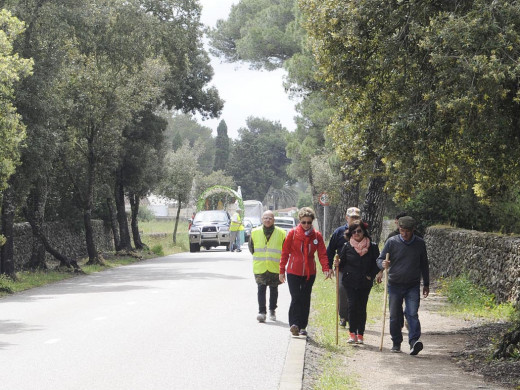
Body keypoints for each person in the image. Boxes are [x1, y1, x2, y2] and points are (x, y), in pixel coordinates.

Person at [377, 216, 429, 355]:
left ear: (413, 230)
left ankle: (414, 342)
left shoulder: (419, 244)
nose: (404, 234)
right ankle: (396, 342)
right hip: (394, 284)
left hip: (412, 285)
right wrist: (382, 265)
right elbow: (380, 258)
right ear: (398, 229)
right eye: (401, 230)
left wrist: (426, 284)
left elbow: (424, 264)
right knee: (395, 315)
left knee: (412, 313)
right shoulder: (391, 242)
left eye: (407, 231)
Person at [279, 207, 333, 336]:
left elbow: (322, 254)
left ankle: (303, 326)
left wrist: (326, 268)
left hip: (310, 272)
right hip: (293, 271)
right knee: (296, 297)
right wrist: (281, 270)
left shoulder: (317, 236)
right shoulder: (292, 234)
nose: (306, 225)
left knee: (305, 298)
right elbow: (285, 253)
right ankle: (294, 324)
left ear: (312, 222)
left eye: (309, 222)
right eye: (304, 222)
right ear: (300, 221)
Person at [334, 220, 380, 344]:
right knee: (352, 306)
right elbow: (341, 264)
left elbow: (377, 264)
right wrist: (337, 264)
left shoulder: (373, 246)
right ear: (350, 234)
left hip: (365, 282)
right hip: (350, 281)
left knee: (361, 307)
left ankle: (360, 334)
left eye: (359, 231)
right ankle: (352, 333)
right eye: (353, 232)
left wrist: (370, 275)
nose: (356, 234)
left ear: (364, 231)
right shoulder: (347, 246)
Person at [249, 210, 286, 322]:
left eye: (270, 218)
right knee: (261, 288)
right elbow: (252, 248)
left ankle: (272, 310)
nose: (267, 220)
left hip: (275, 266)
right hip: (260, 266)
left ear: (273, 220)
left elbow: (285, 250)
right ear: (262, 219)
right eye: (265, 218)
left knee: (274, 289)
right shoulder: (254, 232)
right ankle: (262, 312)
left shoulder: (281, 233)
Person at [327, 206, 361, 328]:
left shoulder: (363, 232)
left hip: (358, 269)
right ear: (347, 218)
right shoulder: (338, 232)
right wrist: (329, 267)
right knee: (342, 289)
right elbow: (330, 250)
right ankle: (343, 316)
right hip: (342, 268)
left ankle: (354, 317)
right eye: (352, 217)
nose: (354, 219)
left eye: (357, 217)